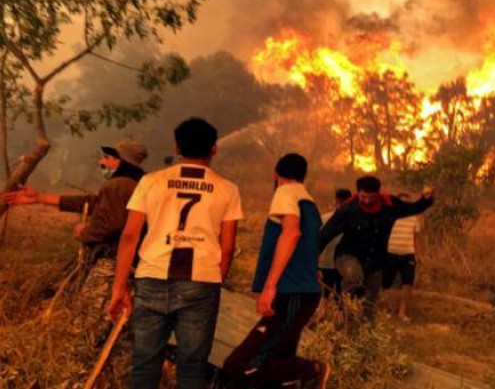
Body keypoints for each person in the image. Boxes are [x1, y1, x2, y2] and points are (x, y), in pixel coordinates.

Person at [109, 118, 243, 389]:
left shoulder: (151, 181)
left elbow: (130, 236)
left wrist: (119, 287)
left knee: (144, 365)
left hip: (151, 278)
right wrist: (214, 282)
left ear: (177, 146)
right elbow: (227, 247)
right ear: (214, 149)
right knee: (192, 368)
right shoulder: (228, 189)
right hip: (201, 283)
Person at [1, 139, 147, 331]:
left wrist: (85, 232)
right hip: (132, 262)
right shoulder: (136, 184)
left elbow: (112, 224)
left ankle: (85, 354)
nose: (102, 162)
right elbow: (94, 203)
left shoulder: (119, 185)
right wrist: (40, 197)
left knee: (90, 317)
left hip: (112, 261)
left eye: (108, 158)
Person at [223, 153, 329, 388]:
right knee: (278, 358)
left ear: (276, 173)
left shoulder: (285, 191)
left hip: (290, 293)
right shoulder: (309, 202)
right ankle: (300, 378)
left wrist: (270, 286)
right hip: (303, 293)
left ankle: (311, 371)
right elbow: (309, 245)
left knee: (238, 365)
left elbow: (291, 233)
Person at [319, 176, 434, 321]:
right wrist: (312, 257)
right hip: (348, 257)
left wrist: (426, 200)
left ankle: (364, 332)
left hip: (375, 262)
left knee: (371, 303)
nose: (367, 201)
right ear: (358, 193)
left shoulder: (389, 205)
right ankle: (344, 304)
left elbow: (412, 208)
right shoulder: (348, 210)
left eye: (371, 197)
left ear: (378, 194)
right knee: (354, 276)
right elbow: (326, 234)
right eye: (363, 197)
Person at [382, 193, 422, 324]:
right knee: (386, 283)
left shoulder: (414, 218)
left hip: (408, 254)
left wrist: (418, 255)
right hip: (390, 253)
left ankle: (402, 313)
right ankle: (389, 309)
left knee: (407, 284)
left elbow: (417, 239)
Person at [318, 188, 352, 296]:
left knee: (326, 296)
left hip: (325, 263)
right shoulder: (354, 219)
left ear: (336, 201)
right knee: (341, 295)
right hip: (342, 264)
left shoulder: (324, 218)